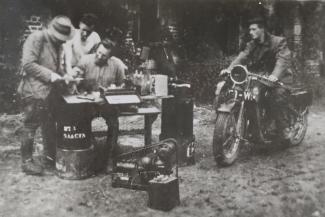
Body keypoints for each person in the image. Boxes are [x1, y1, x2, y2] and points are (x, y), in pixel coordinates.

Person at [17, 15, 75, 175]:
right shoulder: (36, 38)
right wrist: (51, 76)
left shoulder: (58, 45)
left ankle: (49, 157)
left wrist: (65, 75)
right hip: (33, 91)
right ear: (53, 32)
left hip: (49, 93)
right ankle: (26, 162)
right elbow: (28, 64)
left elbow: (57, 68)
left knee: (48, 124)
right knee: (30, 125)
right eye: (60, 38)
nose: (63, 41)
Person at [219, 17, 293, 140]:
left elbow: (282, 60)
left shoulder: (278, 41)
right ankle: (252, 127)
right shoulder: (252, 44)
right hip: (260, 78)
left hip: (279, 79)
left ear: (262, 29)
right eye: (250, 29)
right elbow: (242, 56)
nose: (250, 32)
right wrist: (230, 68)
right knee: (244, 93)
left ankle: (283, 128)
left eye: (254, 29)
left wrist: (274, 75)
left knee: (276, 97)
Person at [73, 38, 126, 168]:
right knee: (81, 121)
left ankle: (109, 157)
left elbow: (122, 84)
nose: (99, 56)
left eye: (103, 56)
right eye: (98, 52)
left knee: (114, 123)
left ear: (109, 57)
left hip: (107, 102)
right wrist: (76, 81)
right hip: (88, 102)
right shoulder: (85, 60)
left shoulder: (117, 64)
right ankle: (91, 154)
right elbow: (76, 78)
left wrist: (113, 90)